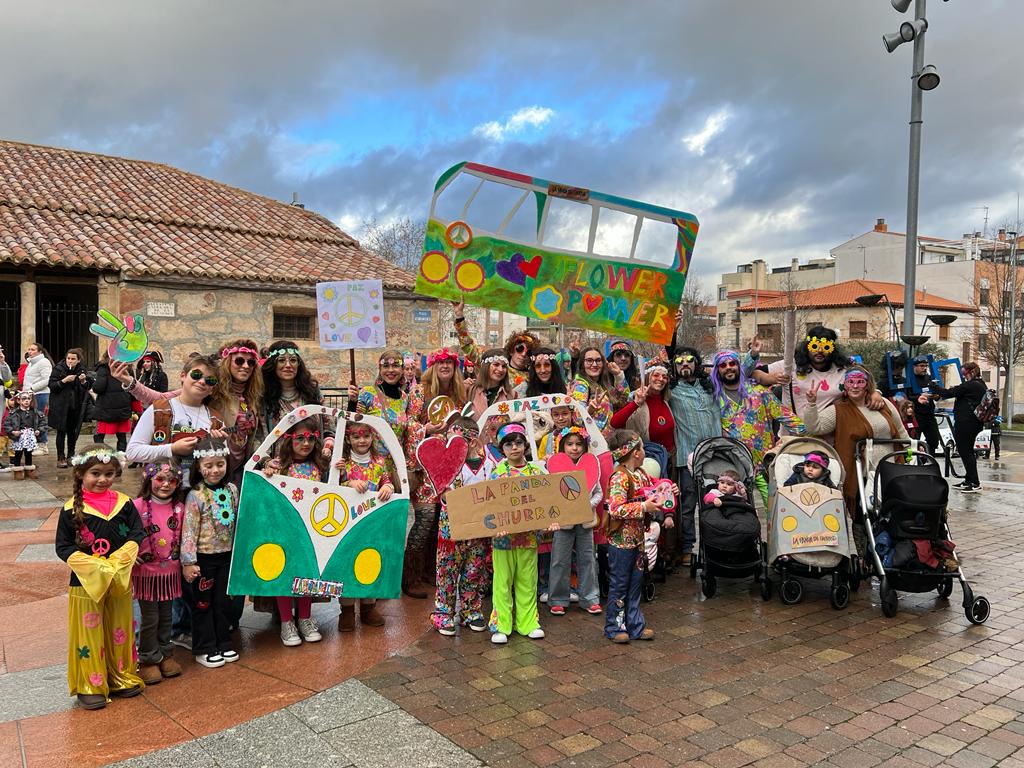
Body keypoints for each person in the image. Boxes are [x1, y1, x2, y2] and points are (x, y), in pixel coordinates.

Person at [55, 446, 144, 710]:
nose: (102, 479)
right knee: (89, 633)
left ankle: (120, 676)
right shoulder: (71, 509)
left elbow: (136, 534)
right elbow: (64, 547)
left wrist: (120, 560)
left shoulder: (124, 504)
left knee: (119, 630)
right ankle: (90, 684)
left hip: (118, 579)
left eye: (108, 474)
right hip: (85, 584)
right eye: (95, 473)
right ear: (81, 473)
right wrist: (93, 566)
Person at [802, 367, 908, 552]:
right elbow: (814, 427)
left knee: (891, 513)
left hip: (890, 468)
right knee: (862, 515)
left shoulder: (882, 403)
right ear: (845, 385)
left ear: (868, 385)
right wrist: (811, 403)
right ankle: (863, 556)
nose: (855, 386)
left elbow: (901, 432)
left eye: (860, 381)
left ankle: (888, 553)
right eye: (851, 382)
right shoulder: (839, 409)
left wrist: (912, 454)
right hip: (861, 472)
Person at [260, 418, 331, 645]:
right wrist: (267, 470)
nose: (306, 443)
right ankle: (286, 621)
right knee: (286, 574)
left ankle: (305, 618)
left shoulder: (319, 466)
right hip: (286, 530)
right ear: (289, 440)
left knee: (307, 574)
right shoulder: (280, 466)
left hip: (310, 531)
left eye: (311, 438)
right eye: (300, 438)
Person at [405, 348, 469, 597]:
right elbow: (408, 422)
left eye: (450, 363)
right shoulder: (420, 391)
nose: (445, 367)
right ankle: (410, 577)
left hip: (449, 465)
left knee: (442, 520)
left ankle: (432, 570)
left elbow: (465, 424)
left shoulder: (459, 395)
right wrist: (425, 429)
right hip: (425, 464)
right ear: (433, 367)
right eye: (440, 362)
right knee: (425, 519)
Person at [712, 349, 803, 505]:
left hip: (765, 464)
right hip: (734, 466)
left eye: (732, 363)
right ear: (717, 370)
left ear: (739, 367)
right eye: (723, 365)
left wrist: (809, 438)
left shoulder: (759, 392)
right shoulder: (713, 398)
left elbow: (786, 416)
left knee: (773, 507)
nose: (728, 367)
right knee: (739, 511)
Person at [488, 423, 551, 644]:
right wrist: (496, 525)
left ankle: (528, 623)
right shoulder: (496, 474)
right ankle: (501, 625)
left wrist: (551, 521)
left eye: (518, 443)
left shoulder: (538, 472)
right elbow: (490, 507)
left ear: (525, 445)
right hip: (503, 539)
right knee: (502, 582)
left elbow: (547, 502)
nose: (514, 447)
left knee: (527, 580)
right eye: (508, 444)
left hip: (529, 536)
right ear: (501, 448)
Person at [431, 416, 492, 636]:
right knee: (447, 570)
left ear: (473, 441)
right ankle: (443, 612)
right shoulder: (446, 466)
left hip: (478, 531)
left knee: (473, 570)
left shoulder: (489, 465)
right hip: (451, 531)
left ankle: (470, 611)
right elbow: (441, 492)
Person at [181, 436, 239, 669]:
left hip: (227, 557)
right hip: (203, 560)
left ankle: (223, 641)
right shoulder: (196, 495)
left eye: (219, 464)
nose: (215, 470)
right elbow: (189, 531)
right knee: (203, 603)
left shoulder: (232, 489)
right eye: (208, 465)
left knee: (223, 602)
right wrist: (188, 562)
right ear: (199, 466)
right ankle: (205, 647)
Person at [752, 326, 886, 423]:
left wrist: (875, 393)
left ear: (832, 348)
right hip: (793, 437)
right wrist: (770, 378)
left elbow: (863, 379)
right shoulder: (791, 365)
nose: (820, 351)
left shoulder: (843, 369)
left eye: (826, 347)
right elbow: (755, 373)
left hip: (830, 441)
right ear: (807, 347)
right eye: (815, 347)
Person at [334, 421, 395, 632]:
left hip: (372, 524)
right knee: (347, 564)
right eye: (356, 437)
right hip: (348, 524)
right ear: (348, 439)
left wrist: (388, 486)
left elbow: (387, 480)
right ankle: (347, 610)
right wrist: (348, 483)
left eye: (366, 436)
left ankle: (369, 607)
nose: (362, 440)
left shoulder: (379, 461)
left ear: (372, 437)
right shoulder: (343, 463)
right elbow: (332, 487)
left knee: (370, 561)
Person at [604, 430, 663, 644]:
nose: (644, 451)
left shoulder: (641, 474)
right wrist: (643, 507)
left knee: (636, 583)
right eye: (641, 448)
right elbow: (615, 508)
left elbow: (654, 488)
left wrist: (667, 488)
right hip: (620, 543)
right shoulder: (620, 476)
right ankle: (614, 626)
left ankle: (635, 625)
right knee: (620, 584)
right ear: (634, 452)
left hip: (638, 541)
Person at [665, 347, 720, 567]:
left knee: (714, 501)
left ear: (696, 363)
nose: (684, 364)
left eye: (689, 361)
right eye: (679, 362)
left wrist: (753, 356)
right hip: (687, 456)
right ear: (675, 367)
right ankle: (687, 548)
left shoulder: (711, 387)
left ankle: (714, 545)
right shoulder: (672, 390)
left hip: (714, 456)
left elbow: (737, 374)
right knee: (687, 506)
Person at [132, 460, 186, 685]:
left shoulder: (180, 508)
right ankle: (147, 659)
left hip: (170, 573)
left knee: (166, 617)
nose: (165, 484)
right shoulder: (137, 506)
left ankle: (166, 654)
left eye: (171, 480)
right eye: (160, 479)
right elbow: (126, 533)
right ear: (149, 479)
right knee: (150, 618)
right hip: (145, 573)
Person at [547, 427, 602, 617]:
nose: (574, 448)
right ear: (562, 446)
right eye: (570, 444)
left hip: (585, 521)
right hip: (563, 522)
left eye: (579, 444)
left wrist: (587, 505)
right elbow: (551, 495)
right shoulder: (554, 467)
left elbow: (598, 493)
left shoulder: (591, 465)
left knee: (587, 559)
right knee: (559, 560)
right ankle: (558, 599)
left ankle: (590, 598)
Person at [211, 340, 263, 488]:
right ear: (228, 362)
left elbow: (255, 435)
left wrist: (262, 459)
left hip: (241, 471)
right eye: (239, 361)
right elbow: (173, 396)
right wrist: (138, 387)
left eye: (251, 363)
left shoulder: (252, 397)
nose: (245, 366)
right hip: (216, 470)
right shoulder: (214, 392)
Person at [932, 361, 987, 493]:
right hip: (972, 423)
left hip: (967, 424)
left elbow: (950, 392)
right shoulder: (980, 384)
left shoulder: (971, 385)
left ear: (971, 372)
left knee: (966, 452)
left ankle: (974, 482)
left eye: (964, 373)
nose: (964, 377)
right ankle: (969, 480)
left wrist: (934, 386)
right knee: (966, 452)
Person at [570, 347, 627, 438]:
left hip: (608, 441)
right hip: (593, 443)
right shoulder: (580, 385)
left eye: (598, 360)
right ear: (582, 364)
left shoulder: (603, 385)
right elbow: (577, 418)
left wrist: (618, 375)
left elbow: (622, 400)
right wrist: (590, 410)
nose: (594, 364)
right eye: (589, 360)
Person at [48, 348, 91, 468]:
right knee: (61, 432)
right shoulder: (58, 369)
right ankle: (60, 457)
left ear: (78, 360)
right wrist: (64, 381)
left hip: (75, 406)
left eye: (73, 359)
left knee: (73, 432)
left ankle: (71, 455)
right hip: (61, 406)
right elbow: (52, 385)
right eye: (68, 358)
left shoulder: (81, 370)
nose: (70, 361)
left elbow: (88, 386)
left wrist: (83, 381)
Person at [92, 353, 134, 452]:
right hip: (123, 407)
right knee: (121, 436)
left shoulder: (103, 368)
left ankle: (101, 455)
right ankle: (121, 458)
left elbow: (98, 388)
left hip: (105, 408)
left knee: (99, 435)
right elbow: (133, 388)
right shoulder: (127, 368)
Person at [5, 391, 46, 479]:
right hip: (19, 435)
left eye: (28, 399)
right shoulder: (14, 413)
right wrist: (12, 431)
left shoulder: (35, 413)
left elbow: (43, 422)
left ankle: (29, 469)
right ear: (19, 401)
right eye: (24, 399)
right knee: (18, 453)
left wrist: (39, 430)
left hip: (30, 435)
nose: (26, 401)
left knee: (28, 453)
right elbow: (7, 424)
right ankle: (17, 470)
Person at [907, 356, 941, 454]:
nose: (924, 368)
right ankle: (913, 463)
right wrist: (918, 398)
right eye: (921, 366)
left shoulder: (929, 378)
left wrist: (936, 396)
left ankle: (929, 462)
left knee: (934, 440)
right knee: (913, 442)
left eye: (926, 366)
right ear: (914, 367)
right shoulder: (910, 380)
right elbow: (907, 397)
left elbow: (938, 394)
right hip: (915, 415)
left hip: (929, 415)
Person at [23, 342, 53, 449]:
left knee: (39, 420)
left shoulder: (44, 362)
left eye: (33, 349)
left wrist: (32, 388)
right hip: (31, 395)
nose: (30, 351)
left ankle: (42, 445)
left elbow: (47, 379)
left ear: (40, 351)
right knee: (32, 420)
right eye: (29, 349)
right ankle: (34, 444)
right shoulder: (32, 363)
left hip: (40, 394)